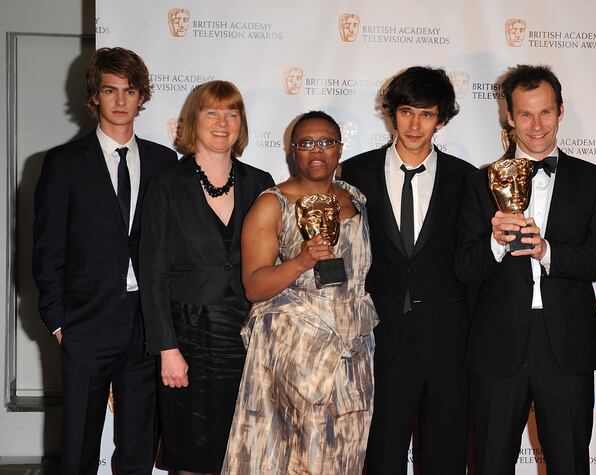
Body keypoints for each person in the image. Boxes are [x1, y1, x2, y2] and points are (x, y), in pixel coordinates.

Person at [454, 64, 596, 474]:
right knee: (491, 462)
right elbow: (463, 268)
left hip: (566, 342)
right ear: (509, 117)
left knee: (570, 463)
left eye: (545, 112)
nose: (536, 125)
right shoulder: (479, 183)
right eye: (525, 114)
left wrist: (548, 251)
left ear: (561, 111)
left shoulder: (594, 180)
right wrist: (494, 243)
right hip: (497, 342)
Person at [32, 47, 176, 474]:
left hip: (146, 324)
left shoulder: (164, 162)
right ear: (94, 96)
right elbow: (46, 250)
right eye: (110, 90)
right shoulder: (63, 164)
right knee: (78, 446)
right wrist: (58, 323)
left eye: (129, 91)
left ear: (141, 97)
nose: (119, 100)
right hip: (85, 323)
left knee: (139, 445)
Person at [223, 111, 378, 473]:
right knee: (289, 455)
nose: (317, 150)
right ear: (293, 151)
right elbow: (253, 286)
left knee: (344, 455)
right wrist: (300, 262)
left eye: (325, 142)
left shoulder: (356, 200)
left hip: (353, 350)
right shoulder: (272, 204)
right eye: (306, 143)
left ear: (340, 148)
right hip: (294, 350)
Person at [340, 66, 475, 473]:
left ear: (443, 118)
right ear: (392, 113)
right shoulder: (354, 172)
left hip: (448, 338)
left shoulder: (466, 178)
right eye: (406, 112)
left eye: (427, 114)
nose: (415, 125)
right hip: (379, 336)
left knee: (445, 454)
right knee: (381, 453)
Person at [138, 80, 274, 474]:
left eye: (232, 113)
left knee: (246, 452)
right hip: (189, 338)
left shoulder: (260, 183)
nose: (222, 123)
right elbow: (153, 273)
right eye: (211, 112)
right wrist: (167, 348)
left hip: (248, 336)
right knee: (193, 454)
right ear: (193, 120)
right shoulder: (166, 186)